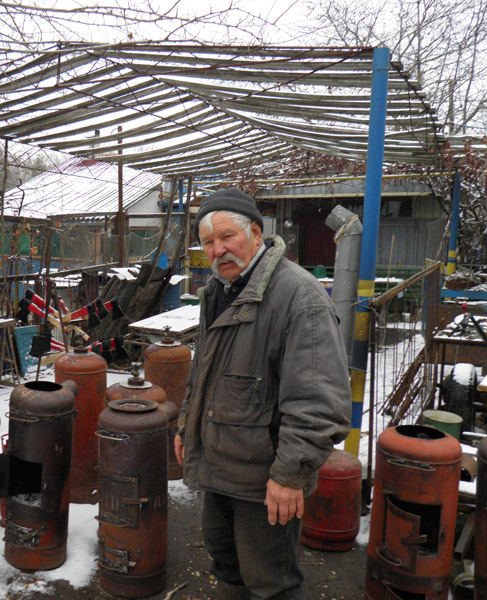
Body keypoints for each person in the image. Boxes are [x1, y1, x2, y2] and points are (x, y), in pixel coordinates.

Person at [175, 189, 351, 600]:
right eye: (208, 243)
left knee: (270, 581)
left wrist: (290, 476)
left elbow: (318, 402)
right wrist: (187, 423)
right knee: (226, 563)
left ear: (256, 232)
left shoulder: (298, 297)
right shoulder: (219, 291)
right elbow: (204, 371)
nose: (218, 250)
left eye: (227, 238)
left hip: (264, 479)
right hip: (220, 465)